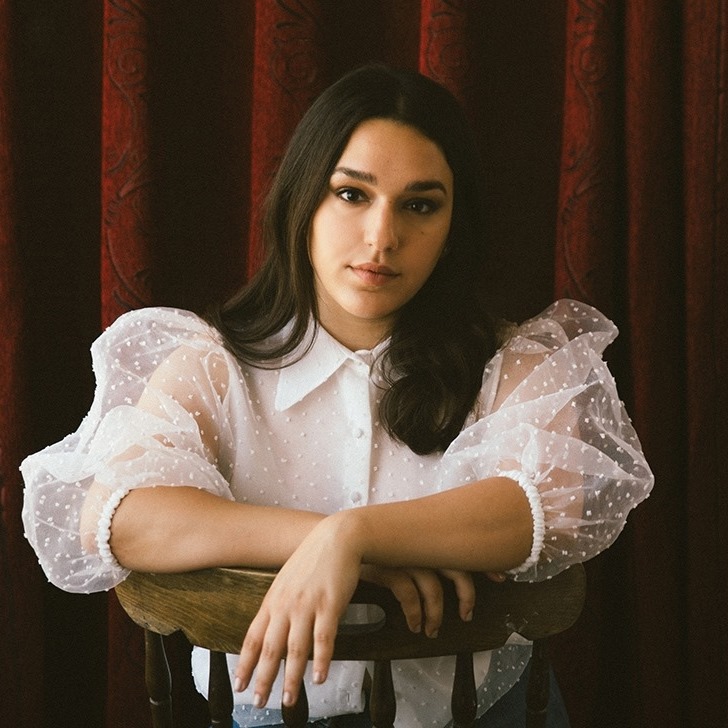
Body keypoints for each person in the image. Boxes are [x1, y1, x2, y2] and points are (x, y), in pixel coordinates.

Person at [21, 64, 653, 727]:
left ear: (452, 227)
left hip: (486, 714)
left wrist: (356, 534)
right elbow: (118, 517)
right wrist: (321, 542)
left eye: (419, 205)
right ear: (303, 202)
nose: (382, 238)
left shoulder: (514, 363)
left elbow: (547, 508)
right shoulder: (213, 367)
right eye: (352, 194)